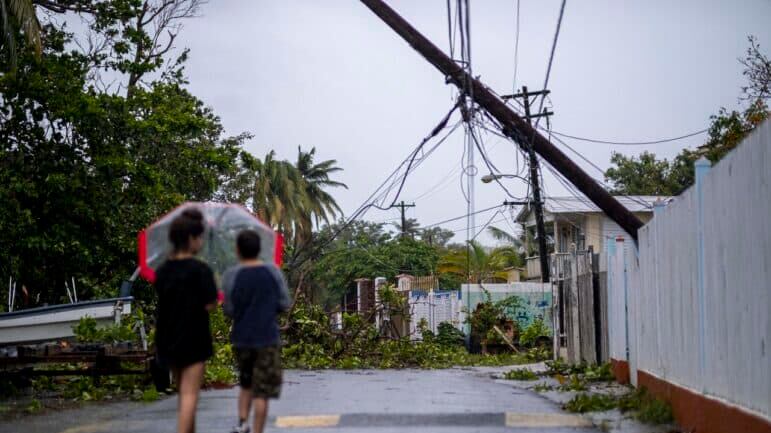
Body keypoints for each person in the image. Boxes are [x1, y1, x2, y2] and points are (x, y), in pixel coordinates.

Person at [154, 208, 218, 433]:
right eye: (200, 236)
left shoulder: (162, 270)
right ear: (191, 239)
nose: (201, 240)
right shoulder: (200, 270)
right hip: (194, 337)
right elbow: (210, 303)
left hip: (167, 337)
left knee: (183, 393)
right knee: (190, 394)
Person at [223, 230, 290, 433]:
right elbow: (284, 303)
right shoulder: (273, 272)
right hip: (267, 338)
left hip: (242, 338)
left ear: (238, 250)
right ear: (260, 249)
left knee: (245, 383)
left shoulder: (231, 275)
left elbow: (228, 310)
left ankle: (242, 423)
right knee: (262, 392)